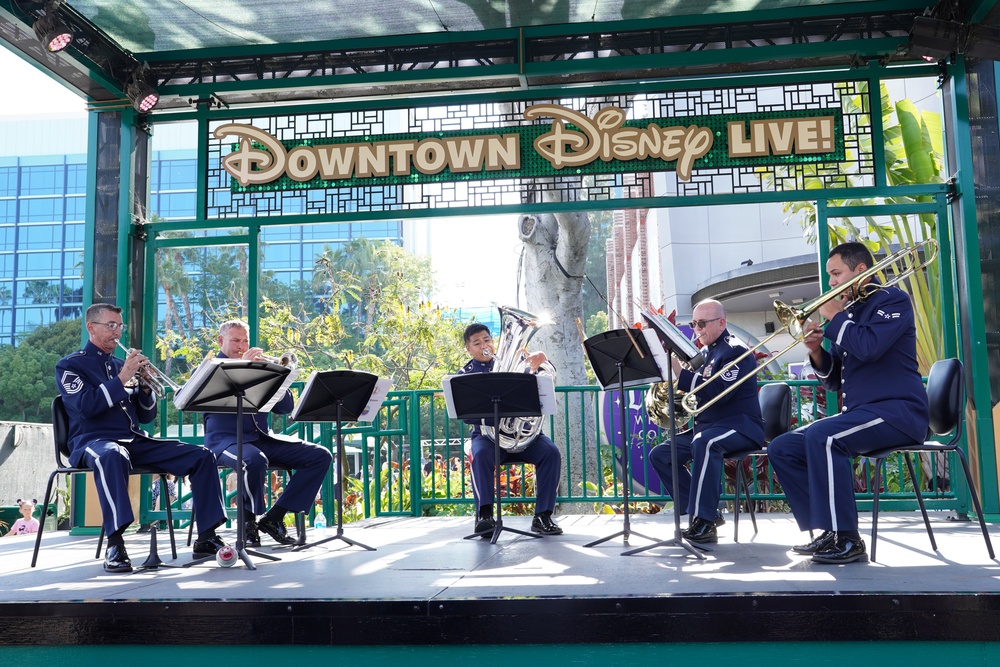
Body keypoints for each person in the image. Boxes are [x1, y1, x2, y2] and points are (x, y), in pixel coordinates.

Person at [767, 242, 929, 564]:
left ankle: (849, 539)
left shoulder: (892, 300)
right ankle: (829, 530)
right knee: (782, 447)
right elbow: (834, 380)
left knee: (824, 436)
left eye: (836, 273)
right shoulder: (850, 314)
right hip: (863, 415)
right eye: (829, 276)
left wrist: (835, 318)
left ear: (860, 270)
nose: (831, 283)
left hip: (898, 412)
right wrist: (815, 350)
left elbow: (869, 347)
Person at [56, 304, 229, 573]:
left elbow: (145, 417)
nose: (117, 331)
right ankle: (115, 543)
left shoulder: (118, 364)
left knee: (202, 456)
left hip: (133, 439)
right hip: (92, 440)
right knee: (112, 455)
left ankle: (206, 536)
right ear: (91, 327)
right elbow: (86, 406)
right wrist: (124, 377)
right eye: (110, 325)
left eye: (119, 325)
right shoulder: (71, 365)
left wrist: (146, 388)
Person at [202, 320, 333, 547]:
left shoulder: (261, 369)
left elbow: (285, 408)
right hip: (225, 440)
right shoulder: (209, 368)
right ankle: (248, 522)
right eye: (235, 340)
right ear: (221, 341)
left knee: (320, 455)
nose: (241, 346)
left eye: (245, 341)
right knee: (252, 459)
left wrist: (277, 376)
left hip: (262, 437)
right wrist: (243, 368)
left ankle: (274, 518)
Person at [647, 299, 765, 544]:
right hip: (709, 426)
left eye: (702, 323)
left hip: (739, 426)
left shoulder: (735, 350)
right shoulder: (705, 352)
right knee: (661, 454)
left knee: (705, 442)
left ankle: (704, 522)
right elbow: (698, 395)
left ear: (721, 323)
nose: (696, 329)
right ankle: (706, 513)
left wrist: (681, 373)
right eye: (693, 323)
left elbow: (718, 392)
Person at [459, 322, 563, 536]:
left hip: (523, 437)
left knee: (550, 453)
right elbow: (467, 416)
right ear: (468, 349)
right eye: (477, 343)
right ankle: (485, 516)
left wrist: (542, 360)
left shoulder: (515, 364)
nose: (484, 345)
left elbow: (545, 380)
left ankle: (542, 516)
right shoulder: (464, 374)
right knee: (478, 455)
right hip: (487, 437)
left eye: (487, 340)